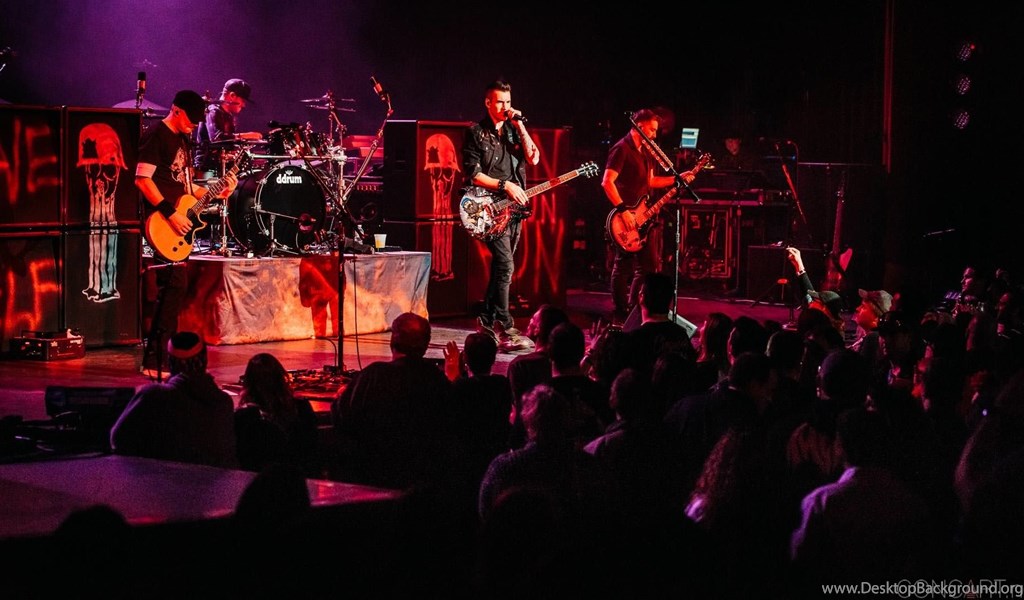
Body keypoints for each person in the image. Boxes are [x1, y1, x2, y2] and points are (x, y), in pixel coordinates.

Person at [136, 90, 237, 372]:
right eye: (190, 119)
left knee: (174, 291)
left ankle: (164, 358)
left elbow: (187, 187)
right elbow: (142, 180)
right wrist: (171, 214)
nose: (194, 125)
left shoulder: (183, 138)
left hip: (178, 221)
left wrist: (217, 191)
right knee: (171, 289)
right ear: (176, 110)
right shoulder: (156, 136)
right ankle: (155, 361)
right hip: (162, 221)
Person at [462, 79, 540, 351]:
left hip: (514, 210)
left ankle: (485, 320)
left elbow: (534, 158)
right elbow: (473, 173)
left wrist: (520, 126)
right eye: (499, 102)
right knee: (506, 265)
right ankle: (505, 326)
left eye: (508, 102)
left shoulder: (513, 130)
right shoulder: (475, 132)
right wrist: (505, 185)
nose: (505, 107)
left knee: (501, 267)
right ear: (488, 103)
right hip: (488, 208)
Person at [602, 108, 697, 324]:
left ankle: (634, 309)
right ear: (639, 127)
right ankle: (620, 312)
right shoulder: (621, 149)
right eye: (652, 130)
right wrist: (623, 210)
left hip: (643, 218)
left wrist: (677, 179)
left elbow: (651, 181)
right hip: (624, 217)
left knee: (648, 267)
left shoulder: (646, 151)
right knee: (623, 265)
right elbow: (607, 182)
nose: (655, 134)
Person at [109, 331, 238, 468]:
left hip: (162, 478)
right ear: (205, 360)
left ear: (170, 362)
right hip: (214, 481)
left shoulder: (154, 396)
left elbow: (117, 438)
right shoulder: (223, 402)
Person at [194, 78, 262, 176]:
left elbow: (228, 144)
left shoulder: (229, 116)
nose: (244, 105)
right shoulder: (213, 111)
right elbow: (216, 138)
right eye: (242, 100)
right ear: (232, 95)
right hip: (207, 171)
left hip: (220, 168)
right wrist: (247, 136)